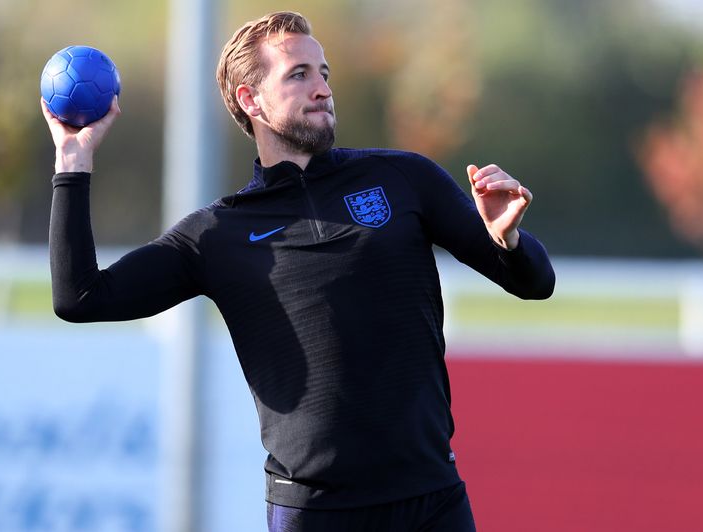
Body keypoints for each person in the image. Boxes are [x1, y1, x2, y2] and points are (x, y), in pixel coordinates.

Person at [42, 11, 554, 532]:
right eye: (299, 74)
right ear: (250, 99)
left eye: (324, 73)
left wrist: (508, 240)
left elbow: (536, 283)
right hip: (314, 513)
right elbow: (80, 297)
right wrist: (72, 164)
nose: (322, 89)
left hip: (431, 500)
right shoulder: (216, 233)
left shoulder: (404, 178)